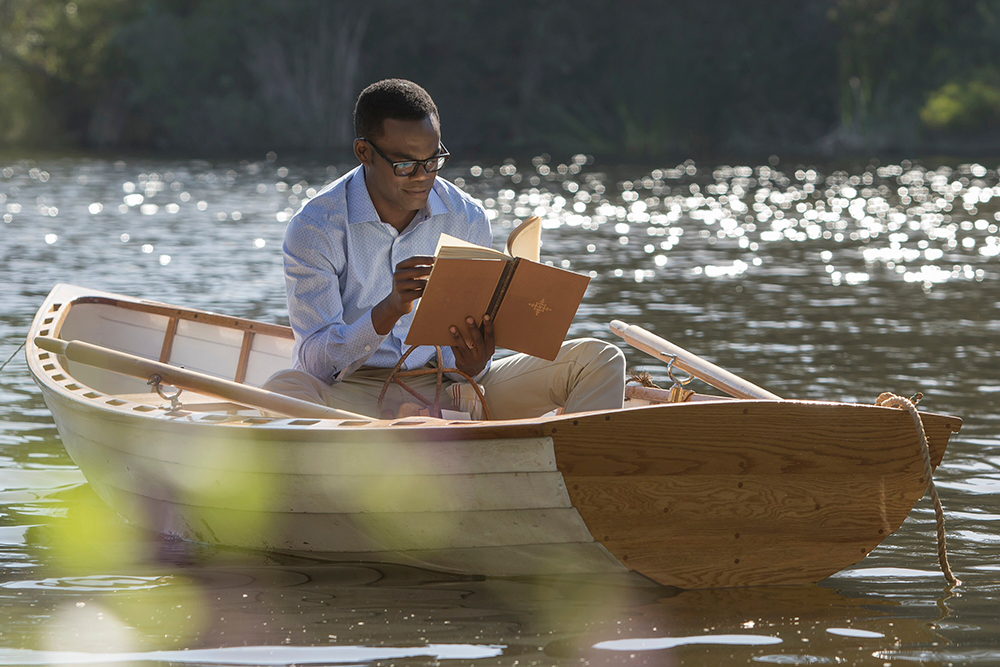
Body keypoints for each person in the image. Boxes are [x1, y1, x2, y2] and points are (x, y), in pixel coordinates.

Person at [262, 79, 624, 419]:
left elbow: (467, 365)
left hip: (453, 388)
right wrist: (389, 309)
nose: (423, 176)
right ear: (364, 153)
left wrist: (474, 360)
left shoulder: (466, 216)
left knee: (599, 359)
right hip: (356, 393)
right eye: (405, 164)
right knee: (283, 390)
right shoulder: (315, 228)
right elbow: (315, 364)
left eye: (433, 160)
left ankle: (571, 464)